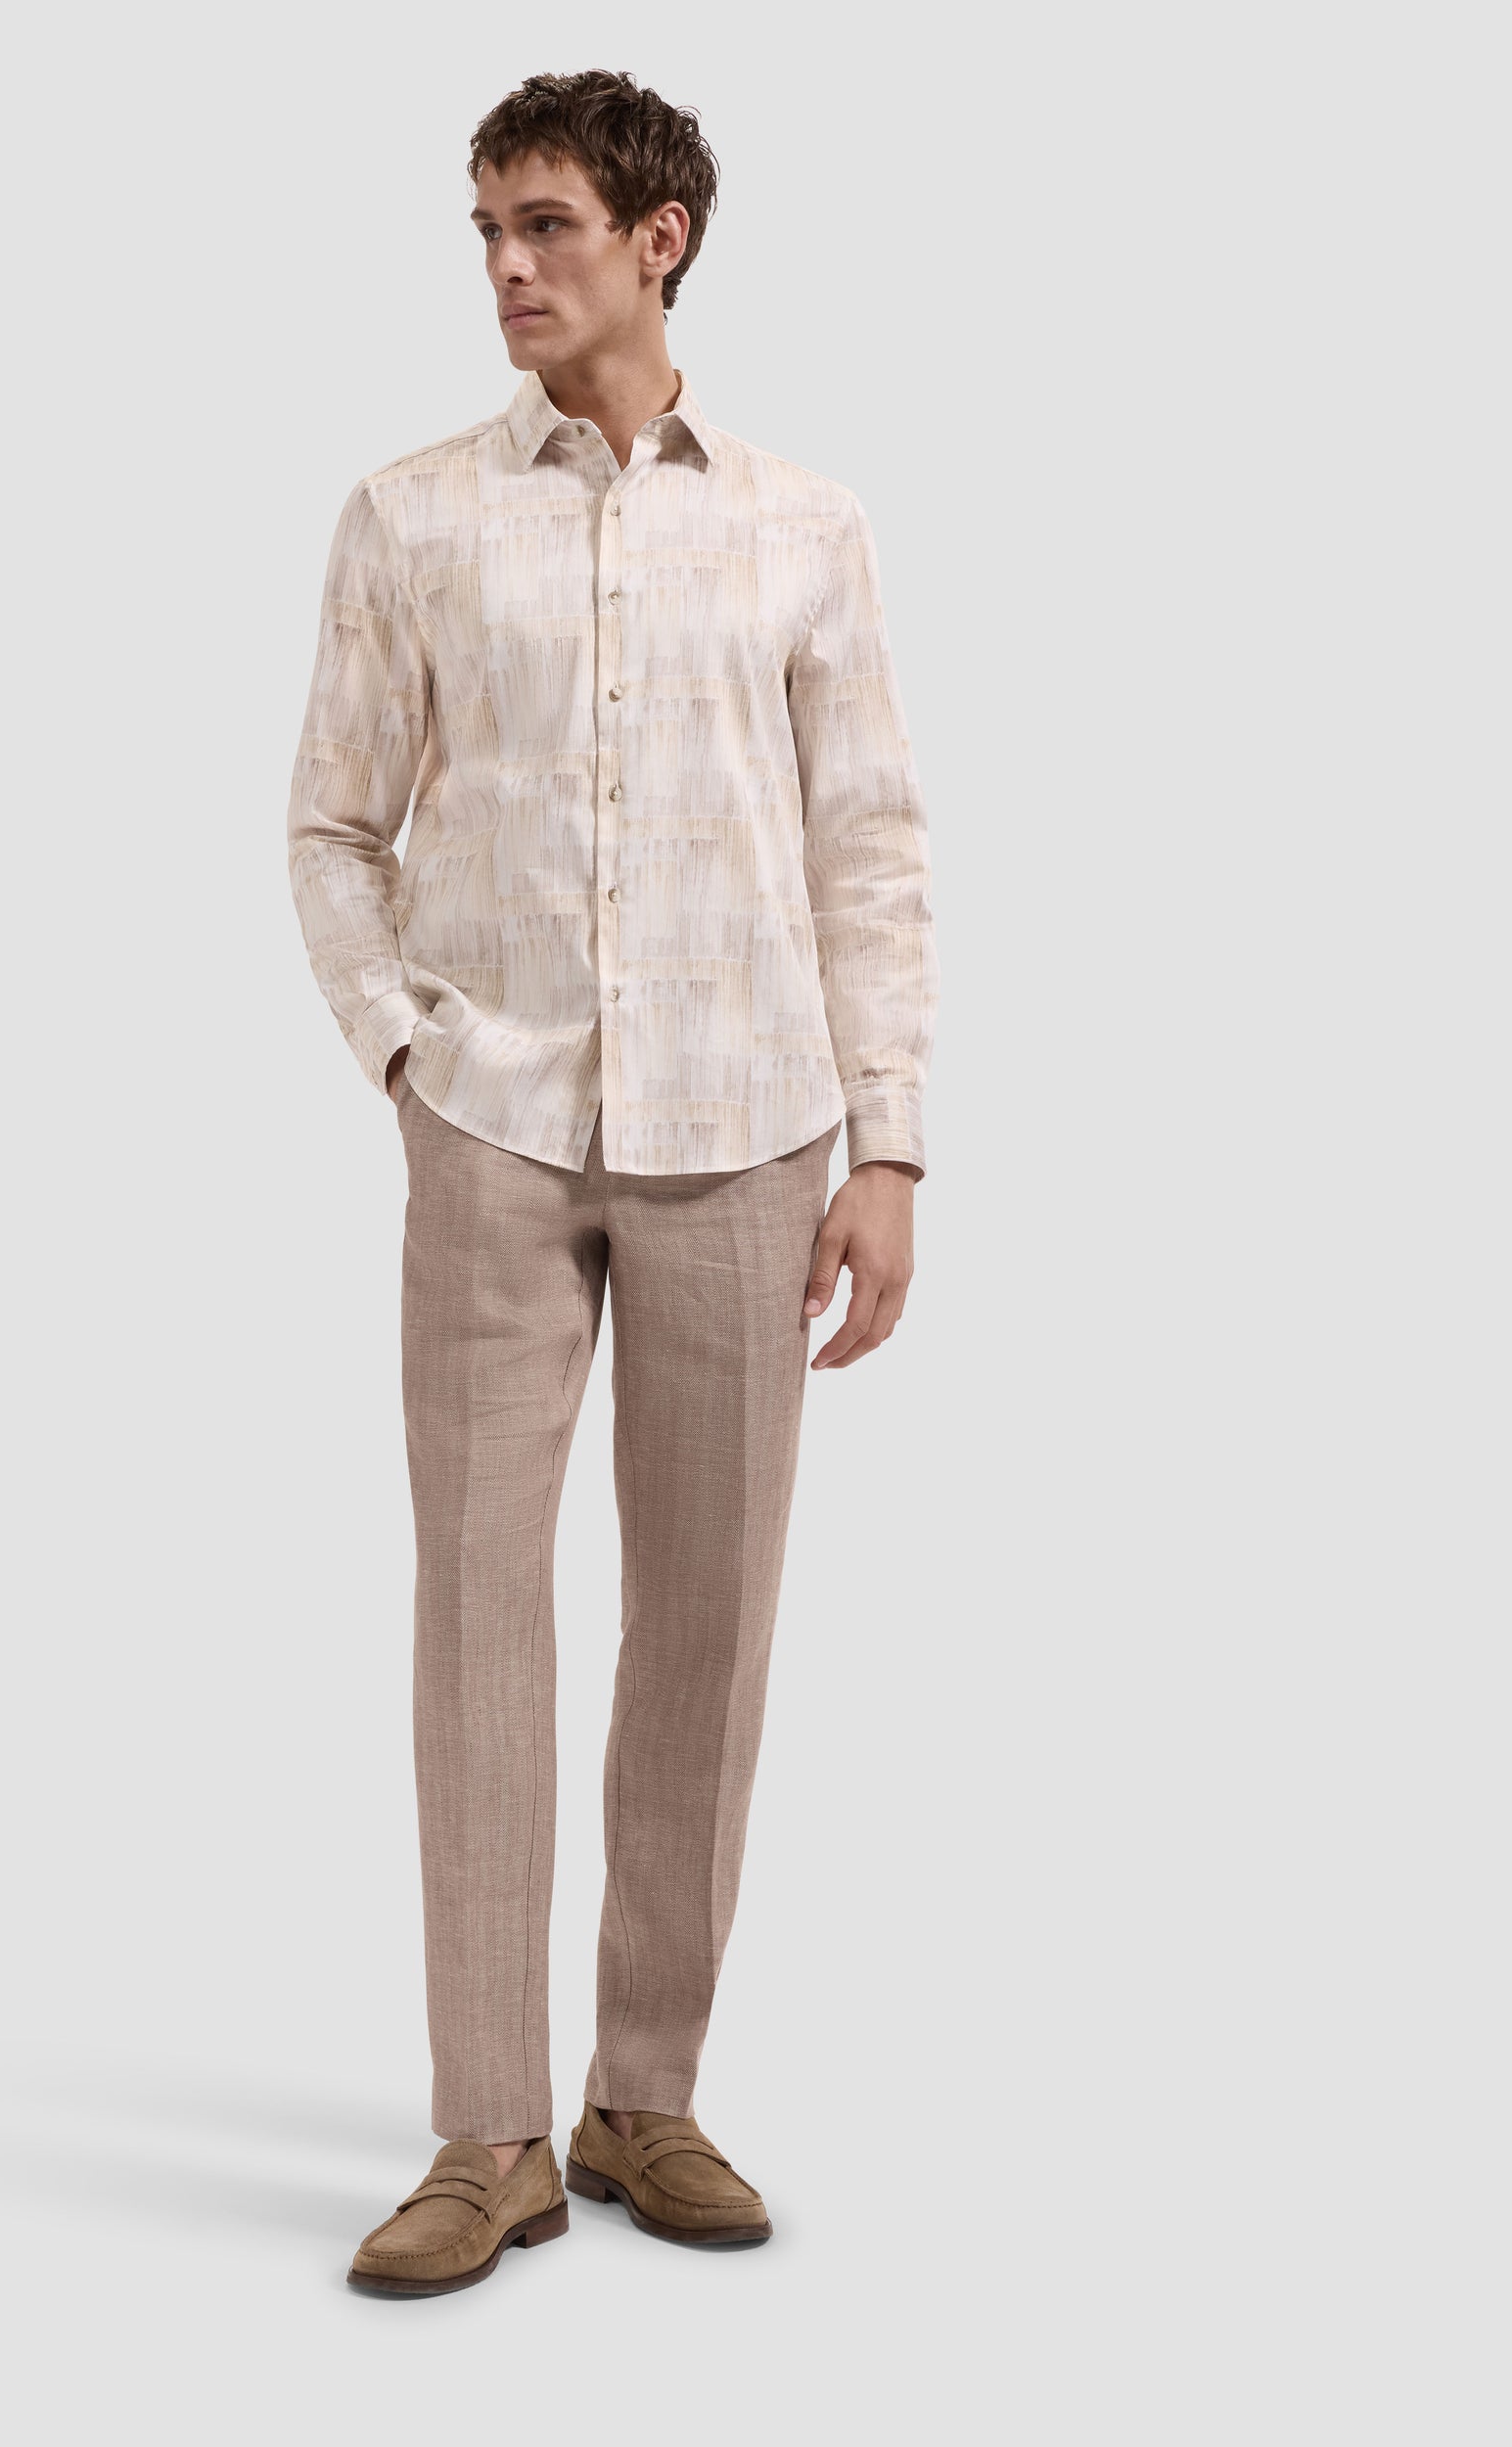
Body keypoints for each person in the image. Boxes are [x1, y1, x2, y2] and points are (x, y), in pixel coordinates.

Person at [286, 68, 939, 2297]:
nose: (505, 266)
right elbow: (331, 823)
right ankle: (488, 2131)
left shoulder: (803, 526)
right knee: (475, 1610)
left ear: (660, 240)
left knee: (710, 1620)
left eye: (546, 224)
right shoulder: (408, 518)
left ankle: (641, 2090)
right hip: (492, 1129)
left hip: (745, 1131)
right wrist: (404, 1054)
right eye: (485, 228)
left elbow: (868, 844)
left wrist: (889, 1141)